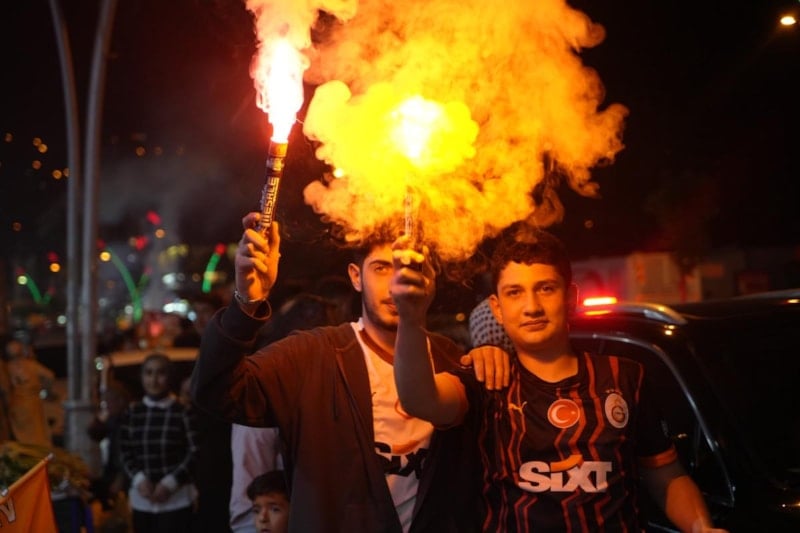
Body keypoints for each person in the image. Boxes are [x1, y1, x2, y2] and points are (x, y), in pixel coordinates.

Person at [391, 226, 727, 532]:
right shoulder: (486, 380)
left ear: (570, 296)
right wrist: (410, 318)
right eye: (515, 292)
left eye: (546, 288)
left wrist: (702, 528)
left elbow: (665, 474)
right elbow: (420, 399)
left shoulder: (625, 377)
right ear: (497, 308)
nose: (532, 306)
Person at [191, 213, 501, 532]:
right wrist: (246, 304)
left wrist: (493, 355)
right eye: (381, 268)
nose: (396, 284)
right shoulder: (313, 355)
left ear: (430, 278)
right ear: (356, 276)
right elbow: (218, 391)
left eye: (410, 267)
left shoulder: (450, 358)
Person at [119, 353, 198, 533]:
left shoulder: (182, 411)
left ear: (170, 377)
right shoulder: (133, 412)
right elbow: (124, 450)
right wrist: (139, 479)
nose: (154, 380)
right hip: (142, 499)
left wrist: (170, 483)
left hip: (177, 499)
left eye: (160, 373)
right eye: (148, 373)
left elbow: (195, 451)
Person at [4, 336, 55, 447]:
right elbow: (50, 376)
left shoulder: (7, 368)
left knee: (24, 438)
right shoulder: (31, 365)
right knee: (38, 434)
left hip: (17, 405)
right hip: (33, 403)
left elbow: (5, 388)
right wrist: (45, 390)